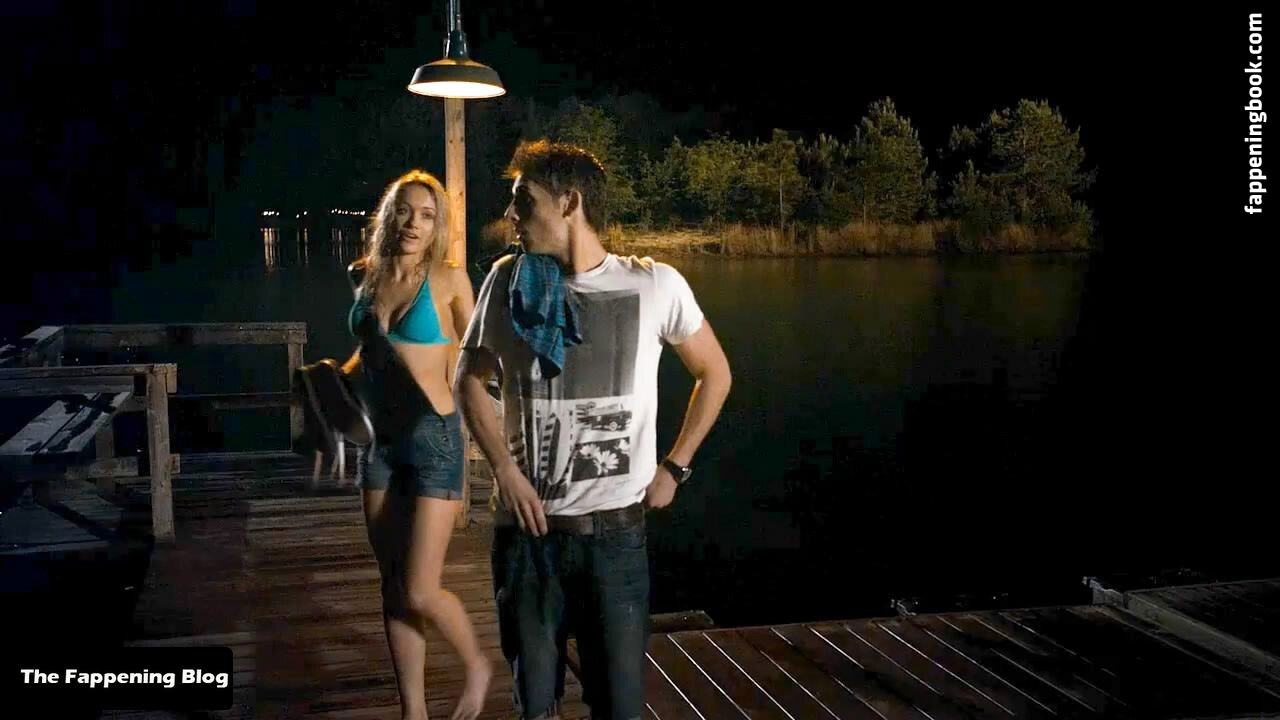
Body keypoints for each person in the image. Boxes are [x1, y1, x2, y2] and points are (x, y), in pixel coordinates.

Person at [455, 140, 732, 720]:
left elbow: (715, 373)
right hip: (528, 540)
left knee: (619, 706)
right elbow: (469, 381)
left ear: (569, 202)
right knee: (535, 706)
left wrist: (675, 466)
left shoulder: (655, 284)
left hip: (615, 539)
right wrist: (504, 470)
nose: (510, 214)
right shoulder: (507, 282)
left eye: (523, 200)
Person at [339, 169, 491, 720]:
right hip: (379, 443)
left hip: (434, 440)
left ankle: (476, 665)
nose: (413, 223)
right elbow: (368, 355)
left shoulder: (449, 280)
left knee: (421, 589)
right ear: (389, 215)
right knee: (392, 584)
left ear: (437, 226)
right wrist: (330, 378)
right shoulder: (364, 274)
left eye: (427, 215)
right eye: (404, 211)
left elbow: (481, 356)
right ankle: (415, 711)